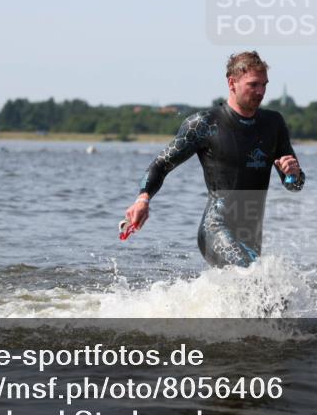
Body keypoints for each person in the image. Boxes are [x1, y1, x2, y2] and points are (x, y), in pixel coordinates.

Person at [123, 52, 304, 268]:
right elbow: (161, 164)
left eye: (264, 85)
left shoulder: (273, 123)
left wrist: (292, 174)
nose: (261, 92)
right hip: (215, 229)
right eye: (254, 85)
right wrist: (143, 199)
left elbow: (294, 185)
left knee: (271, 298)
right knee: (254, 279)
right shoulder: (204, 124)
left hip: (251, 236)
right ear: (232, 83)